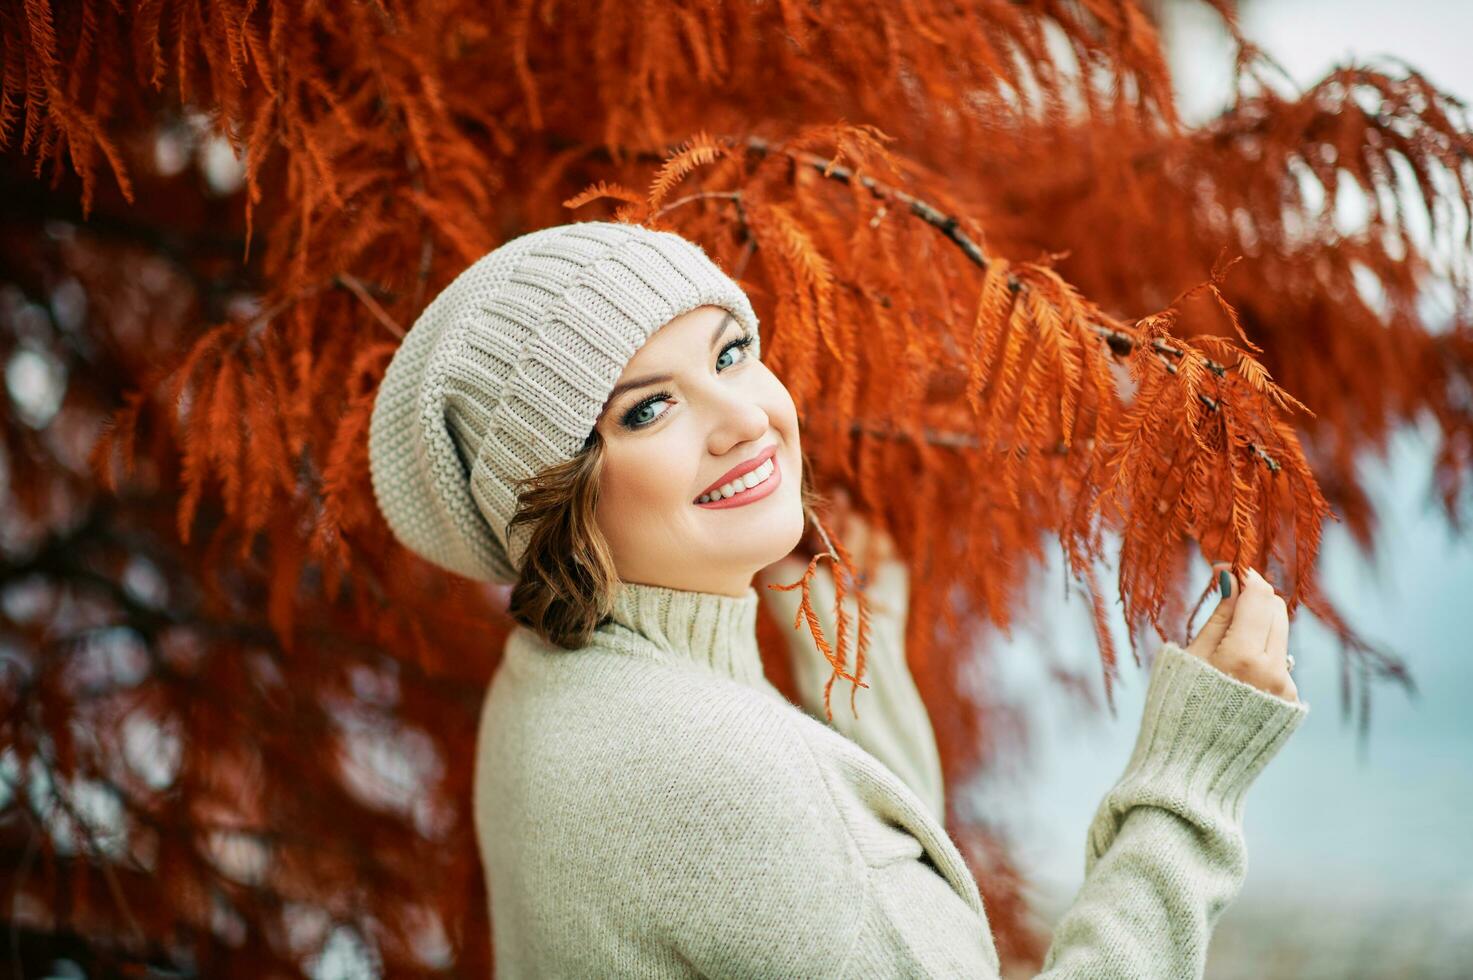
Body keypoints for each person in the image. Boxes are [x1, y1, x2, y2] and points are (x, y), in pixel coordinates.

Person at [366, 219, 1310, 977]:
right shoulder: (717, 770)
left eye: (730, 353)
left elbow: (867, 896)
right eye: (647, 409)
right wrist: (1185, 790)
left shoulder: (547, 683)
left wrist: (851, 655)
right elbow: (788, 828)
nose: (742, 417)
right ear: (552, 495)